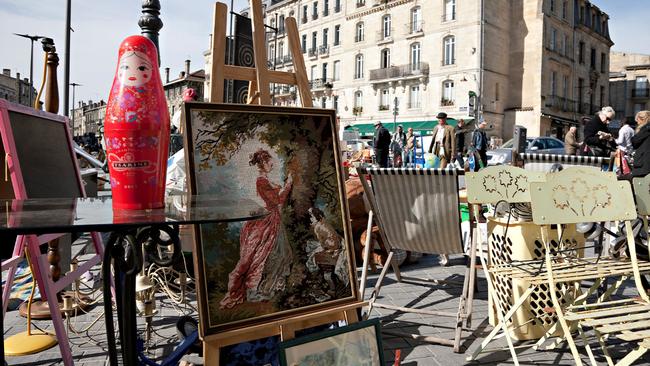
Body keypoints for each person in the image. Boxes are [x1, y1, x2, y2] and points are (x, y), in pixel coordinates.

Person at [220, 149, 293, 309]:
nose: (272, 164)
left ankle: (271, 288)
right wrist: (288, 185)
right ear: (263, 164)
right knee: (260, 256)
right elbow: (278, 200)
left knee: (278, 254)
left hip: (272, 219)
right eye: (269, 162)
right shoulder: (261, 181)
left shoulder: (265, 179)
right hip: (266, 222)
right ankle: (256, 290)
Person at [632, 110, 650, 177]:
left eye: (637, 120)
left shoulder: (646, 129)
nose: (637, 122)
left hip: (643, 166)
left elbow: (635, 141)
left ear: (642, 119)